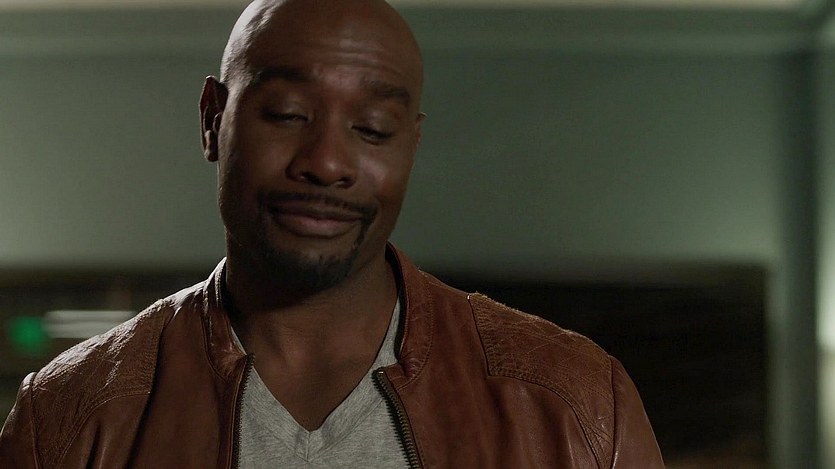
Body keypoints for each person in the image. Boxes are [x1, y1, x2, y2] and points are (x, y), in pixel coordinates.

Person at [0, 0, 664, 467]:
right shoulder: (72, 416)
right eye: (287, 114)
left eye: (372, 129)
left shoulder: (573, 403)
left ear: (410, 146)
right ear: (212, 120)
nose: (325, 162)